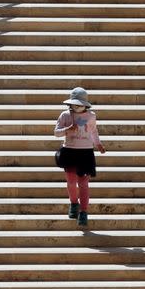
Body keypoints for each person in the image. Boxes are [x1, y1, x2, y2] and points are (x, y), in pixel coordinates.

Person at [54, 87, 106, 227]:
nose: (76, 107)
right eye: (74, 104)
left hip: (85, 152)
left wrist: (98, 144)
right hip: (69, 151)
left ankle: (83, 212)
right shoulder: (65, 115)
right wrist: (67, 130)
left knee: (83, 183)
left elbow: (93, 131)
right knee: (71, 181)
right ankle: (73, 203)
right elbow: (56, 133)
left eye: (79, 104)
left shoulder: (91, 116)